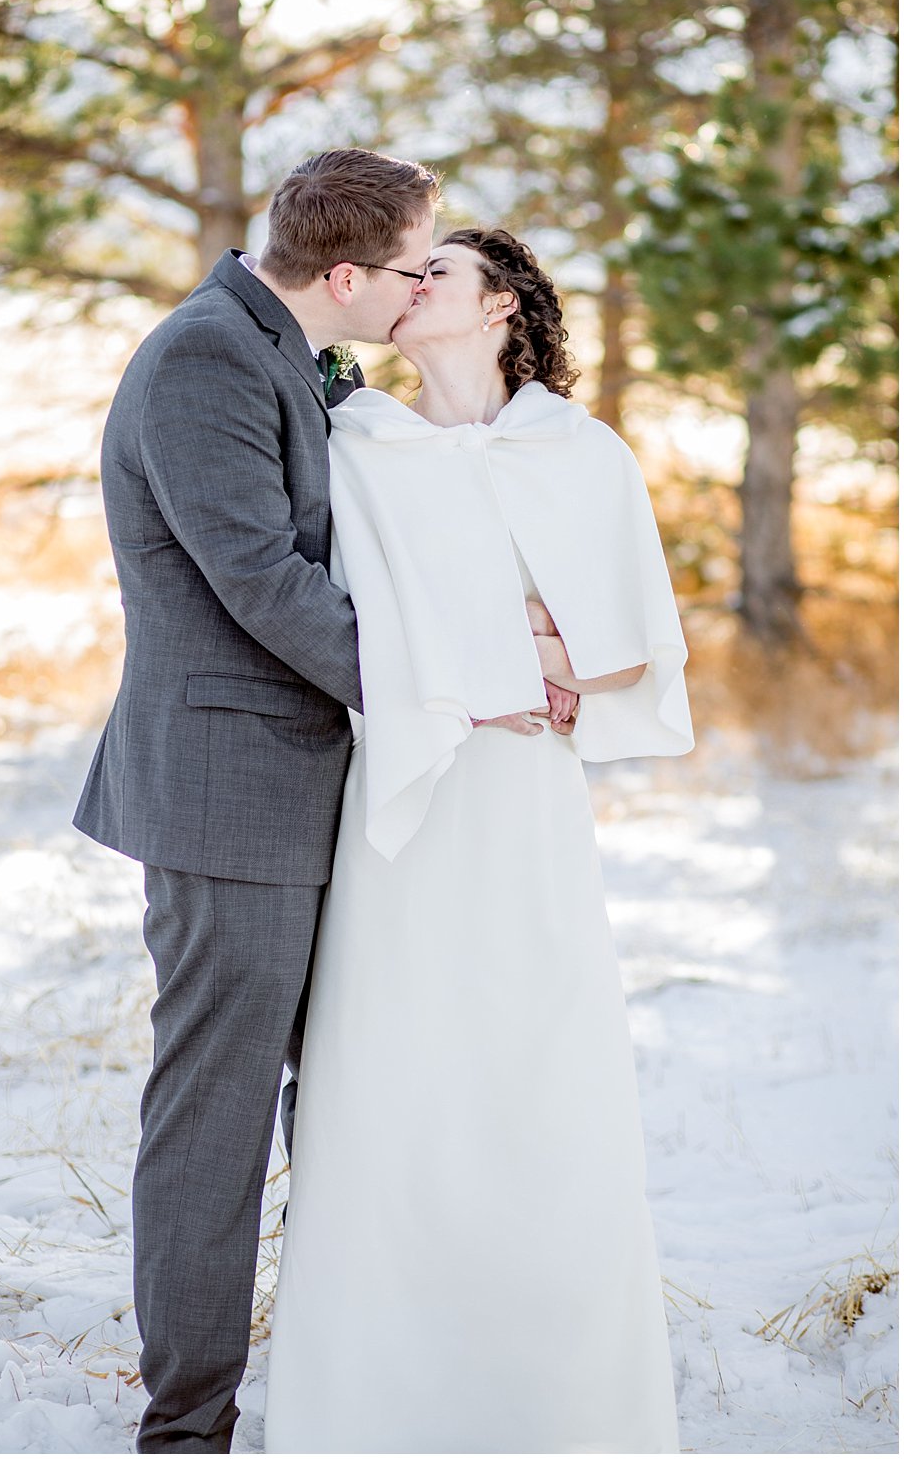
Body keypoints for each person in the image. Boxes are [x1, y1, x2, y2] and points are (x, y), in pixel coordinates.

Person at [262, 228, 695, 1454]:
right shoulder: (362, 442)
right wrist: (507, 648)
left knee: (531, 1070)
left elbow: (627, 651)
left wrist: (517, 656)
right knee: (394, 1072)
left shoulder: (579, 451)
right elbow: (342, 616)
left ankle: (553, 1395)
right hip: (403, 801)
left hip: (523, 803)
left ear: (500, 304)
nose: (410, 286)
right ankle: (380, 1399)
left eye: (437, 272)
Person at [73, 149, 446, 1453]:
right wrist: (457, 686)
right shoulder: (203, 362)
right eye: (413, 266)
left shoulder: (288, 354)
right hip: (228, 794)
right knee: (215, 1116)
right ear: (343, 273)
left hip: (314, 787)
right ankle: (187, 1424)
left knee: (334, 1096)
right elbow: (263, 583)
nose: (422, 289)